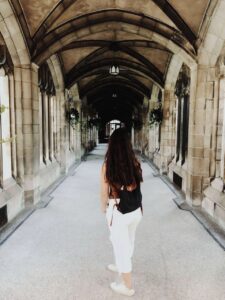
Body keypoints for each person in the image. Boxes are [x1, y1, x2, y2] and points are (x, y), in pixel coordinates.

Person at [100, 127, 143, 297]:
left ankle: (127, 287)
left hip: (118, 210)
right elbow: (137, 186)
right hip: (136, 211)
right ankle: (120, 264)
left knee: (121, 247)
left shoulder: (107, 166)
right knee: (128, 240)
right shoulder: (135, 162)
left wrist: (104, 209)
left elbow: (104, 193)